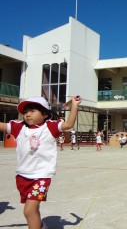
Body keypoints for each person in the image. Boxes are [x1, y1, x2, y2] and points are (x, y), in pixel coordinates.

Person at [0, 96, 81, 229]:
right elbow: (2, 126)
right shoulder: (18, 127)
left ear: (44, 114)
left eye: (32, 111)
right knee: (32, 210)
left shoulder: (50, 126)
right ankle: (41, 226)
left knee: (29, 210)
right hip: (22, 175)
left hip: (41, 176)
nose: (27, 114)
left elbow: (68, 124)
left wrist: (75, 105)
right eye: (25, 112)